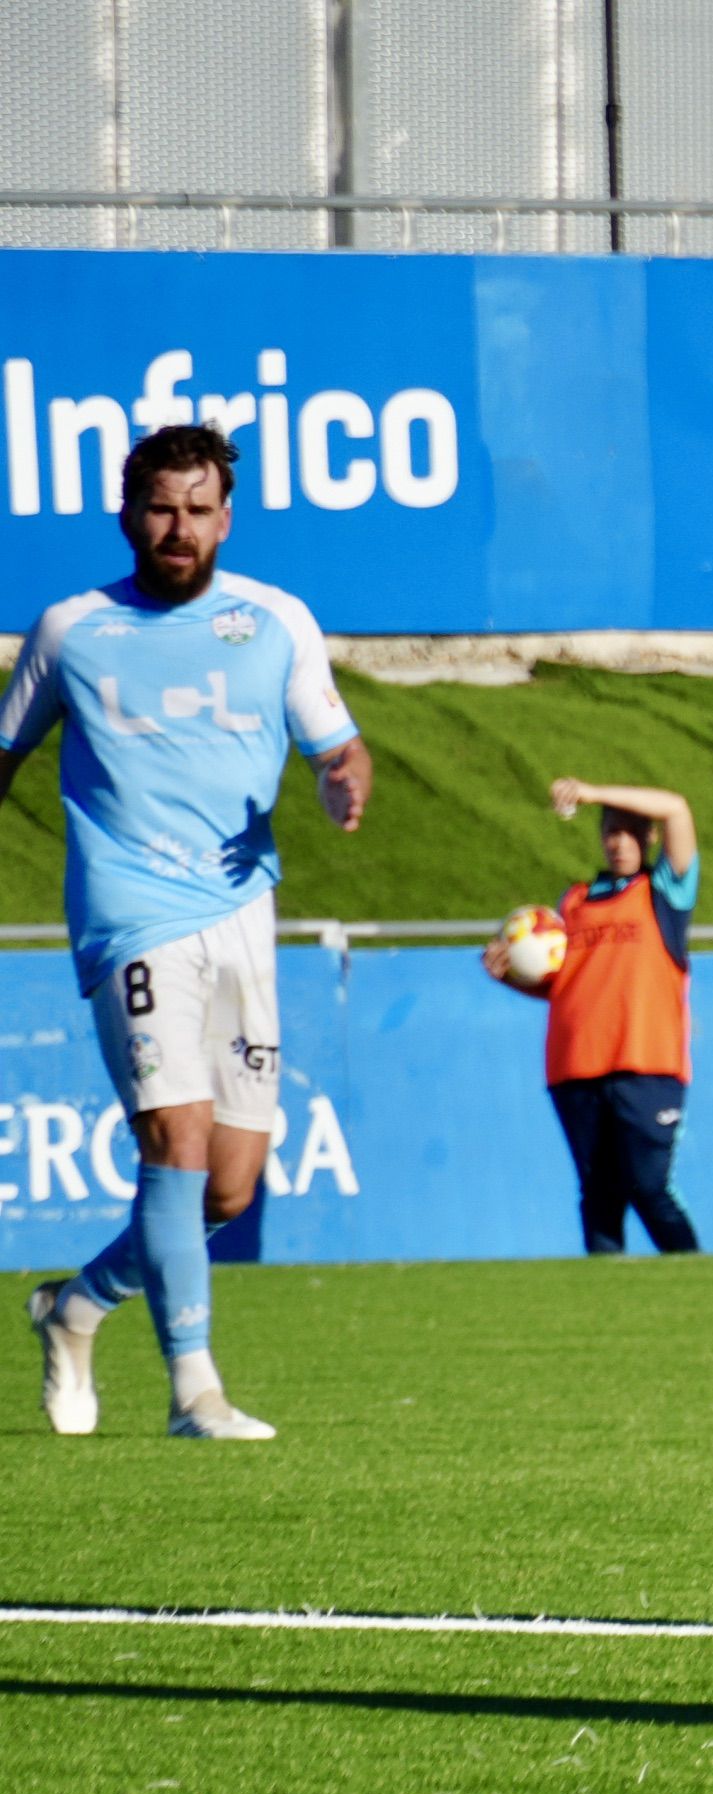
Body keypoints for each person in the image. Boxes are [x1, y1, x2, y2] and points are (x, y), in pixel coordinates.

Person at [11, 424, 371, 1440]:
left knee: (227, 1184)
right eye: (161, 508)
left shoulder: (274, 621)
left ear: (226, 515)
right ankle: (194, 1391)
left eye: (198, 508)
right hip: (131, 916)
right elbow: (3, 751)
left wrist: (343, 780)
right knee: (173, 1137)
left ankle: (74, 1307)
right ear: (128, 514)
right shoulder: (70, 630)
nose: (179, 528)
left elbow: (339, 745)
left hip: (242, 912)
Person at [484, 776, 703, 1256]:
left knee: (650, 1187)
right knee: (599, 1198)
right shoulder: (575, 903)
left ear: (646, 839)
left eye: (629, 831)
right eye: (610, 830)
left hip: (646, 1067)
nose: (619, 841)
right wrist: (509, 976)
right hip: (577, 1069)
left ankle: (698, 1284)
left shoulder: (663, 893)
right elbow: (567, 992)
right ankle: (606, 1306)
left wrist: (591, 794)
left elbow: (677, 807)